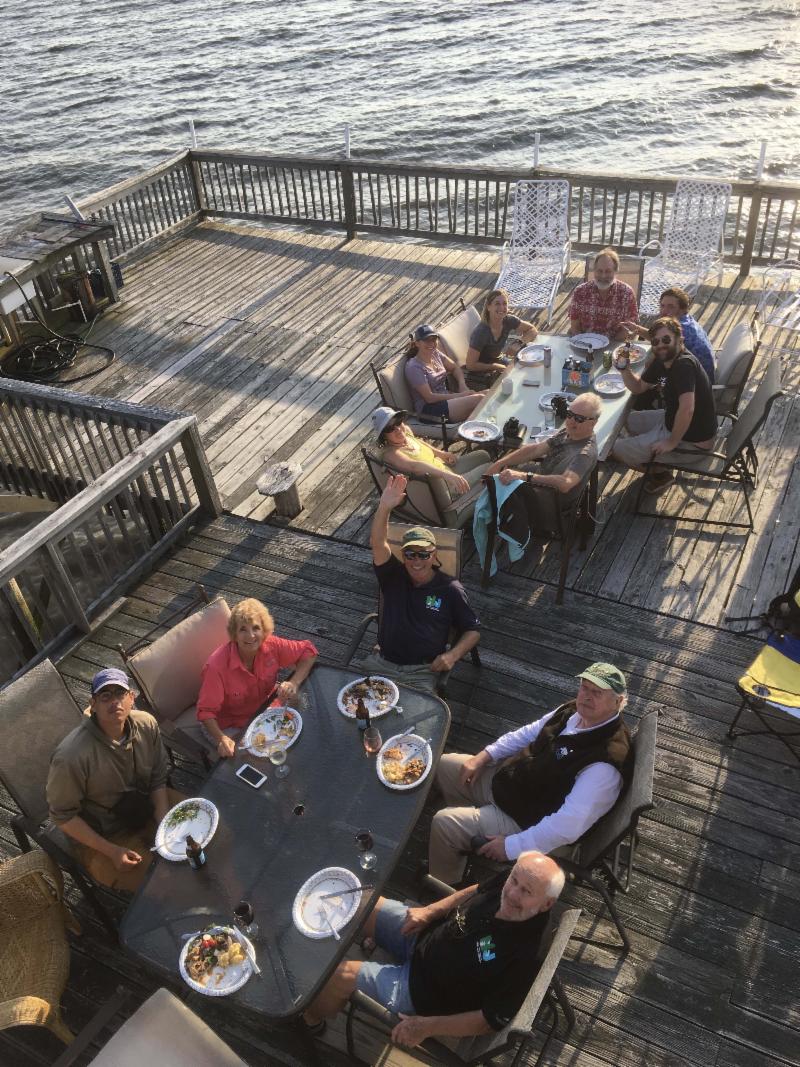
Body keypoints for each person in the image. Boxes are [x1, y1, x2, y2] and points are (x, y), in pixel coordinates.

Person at [302, 851, 565, 1046]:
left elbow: (489, 1020)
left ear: (546, 904)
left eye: (526, 892)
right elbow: (478, 889)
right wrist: (430, 911)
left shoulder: (527, 956)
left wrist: (426, 1027)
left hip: (421, 992)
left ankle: (308, 1022)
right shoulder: (514, 878)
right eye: (513, 882)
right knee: (357, 901)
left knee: (338, 977)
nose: (512, 894)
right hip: (422, 937)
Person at [428, 662, 631, 885]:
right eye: (584, 687)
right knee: (443, 765)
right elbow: (527, 734)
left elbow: (566, 827)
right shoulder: (572, 711)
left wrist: (510, 847)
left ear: (618, 702)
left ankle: (445, 888)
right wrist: (485, 756)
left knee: (445, 823)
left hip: (527, 819)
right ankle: (466, 842)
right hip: (512, 784)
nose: (586, 696)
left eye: (597, 693)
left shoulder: (604, 763)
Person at [46, 668, 182, 893]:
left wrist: (163, 817)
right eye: (105, 696)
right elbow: (62, 816)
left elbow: (158, 776)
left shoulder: (147, 724)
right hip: (104, 837)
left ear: (131, 698)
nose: (114, 702)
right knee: (164, 883)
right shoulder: (70, 757)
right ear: (93, 704)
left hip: (147, 805)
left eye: (120, 694)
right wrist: (112, 851)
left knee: (211, 834)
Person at [362, 475, 481, 691]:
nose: (417, 561)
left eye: (423, 554)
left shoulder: (450, 589)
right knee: (358, 714)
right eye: (410, 554)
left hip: (421, 672)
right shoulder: (392, 575)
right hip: (382, 665)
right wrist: (385, 506)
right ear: (403, 555)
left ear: (434, 555)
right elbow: (378, 542)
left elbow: (473, 630)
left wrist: (452, 656)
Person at [196, 598, 318, 759]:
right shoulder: (216, 667)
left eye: (256, 628)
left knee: (304, 711)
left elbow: (309, 652)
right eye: (243, 630)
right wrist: (222, 738)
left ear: (264, 630)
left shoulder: (271, 645)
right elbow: (205, 713)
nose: (251, 635)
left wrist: (293, 683)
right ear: (234, 633)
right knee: (256, 758)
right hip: (227, 725)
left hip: (262, 710)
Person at [611, 316, 717, 494]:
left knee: (614, 449)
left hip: (691, 442)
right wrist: (625, 370)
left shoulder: (684, 365)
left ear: (679, 340)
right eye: (656, 341)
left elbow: (687, 408)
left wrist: (671, 442)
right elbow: (638, 388)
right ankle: (657, 461)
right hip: (671, 420)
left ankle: (661, 474)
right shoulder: (663, 360)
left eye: (666, 339)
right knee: (621, 421)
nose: (660, 344)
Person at [373, 406, 491, 518]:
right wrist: (446, 475)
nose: (398, 429)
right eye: (390, 428)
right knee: (492, 467)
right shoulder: (390, 454)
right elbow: (413, 466)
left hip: (445, 469)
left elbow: (420, 443)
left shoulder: (406, 433)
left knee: (484, 456)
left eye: (398, 422)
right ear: (384, 436)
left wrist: (441, 454)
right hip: (443, 488)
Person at [485, 392, 601, 503]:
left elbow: (565, 483)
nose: (571, 421)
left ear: (593, 423)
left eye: (579, 419)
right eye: (569, 414)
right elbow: (536, 449)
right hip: (537, 484)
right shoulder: (568, 432)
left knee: (490, 484)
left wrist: (525, 477)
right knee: (488, 463)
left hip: (546, 502)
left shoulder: (584, 453)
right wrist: (499, 463)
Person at [621, 287, 715, 383]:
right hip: (692, 373)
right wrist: (637, 328)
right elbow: (660, 338)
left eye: (671, 306)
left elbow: (652, 364)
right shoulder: (685, 320)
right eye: (662, 305)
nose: (664, 311)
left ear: (683, 309)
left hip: (695, 384)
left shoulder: (682, 329)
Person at [404, 324, 484, 422]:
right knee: (479, 399)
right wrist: (459, 395)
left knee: (489, 394)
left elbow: (455, 368)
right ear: (417, 343)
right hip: (429, 410)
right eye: (426, 340)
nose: (431, 343)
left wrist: (462, 385)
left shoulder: (435, 353)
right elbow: (429, 398)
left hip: (446, 400)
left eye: (434, 339)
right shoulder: (414, 367)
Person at [569, 248, 638, 342]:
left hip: (613, 346)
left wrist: (609, 351)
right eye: (599, 271)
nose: (603, 276)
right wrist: (582, 344)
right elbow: (574, 326)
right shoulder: (580, 292)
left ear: (615, 271)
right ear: (594, 271)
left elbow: (628, 329)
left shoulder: (627, 293)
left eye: (608, 271)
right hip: (585, 345)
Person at [466, 288, 538, 376]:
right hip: (480, 372)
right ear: (488, 307)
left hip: (499, 360)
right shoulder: (481, 333)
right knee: (516, 377)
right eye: (497, 304)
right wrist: (494, 367)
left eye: (504, 304)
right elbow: (470, 365)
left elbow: (532, 330)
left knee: (529, 369)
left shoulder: (508, 320)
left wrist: (519, 343)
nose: (502, 307)